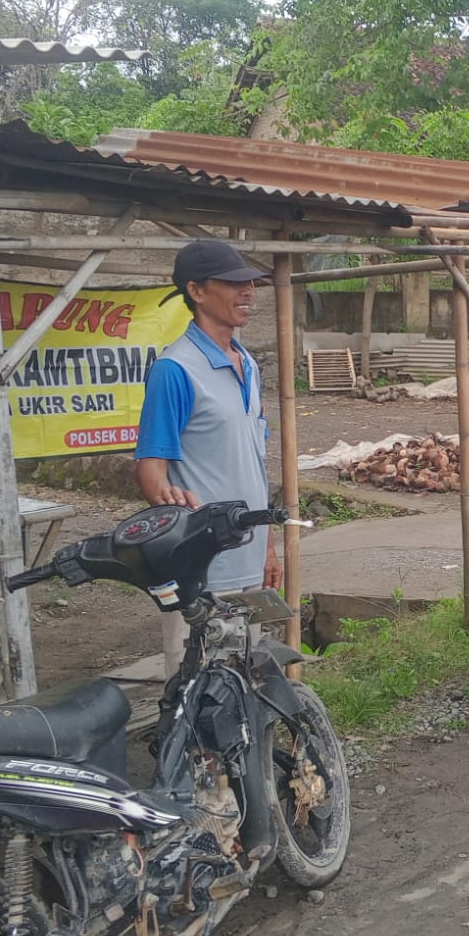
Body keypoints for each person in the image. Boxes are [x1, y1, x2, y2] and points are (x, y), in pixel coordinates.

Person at [135, 239, 281, 675]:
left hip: (249, 561)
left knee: (246, 684)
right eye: (233, 283)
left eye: (250, 282)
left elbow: (252, 464)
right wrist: (175, 512)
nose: (248, 290)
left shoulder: (248, 364)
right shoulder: (175, 370)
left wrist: (267, 547)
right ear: (197, 291)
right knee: (197, 689)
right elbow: (151, 471)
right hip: (200, 573)